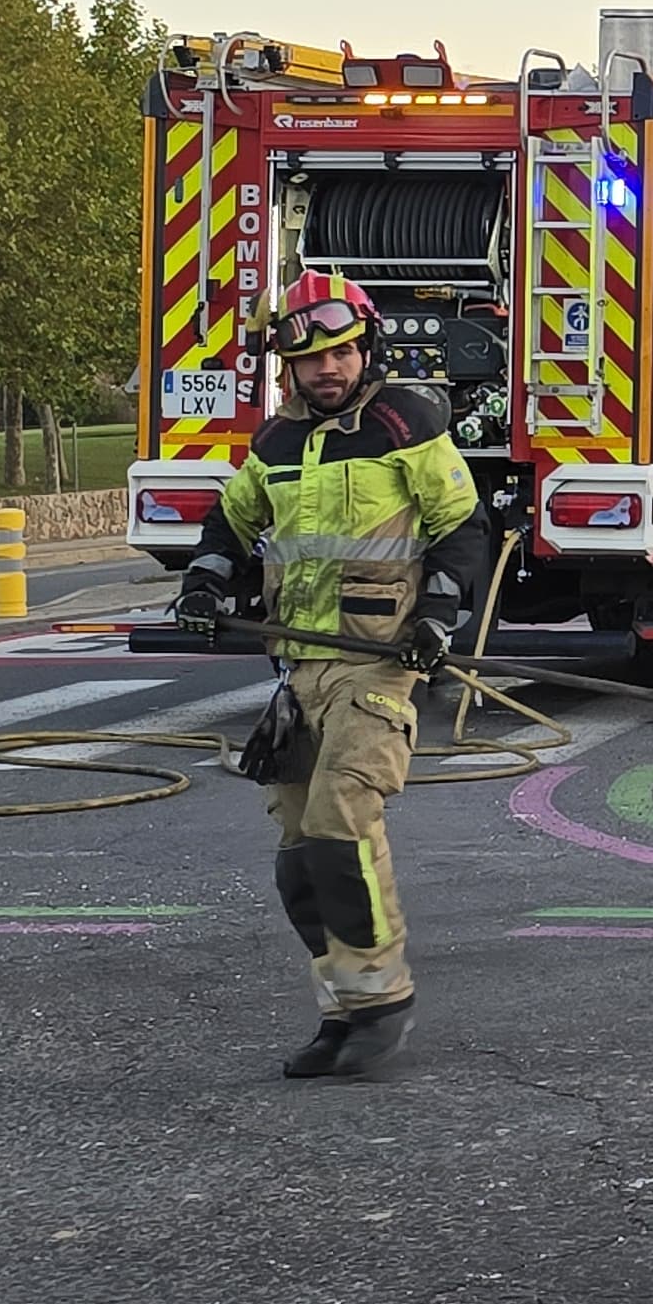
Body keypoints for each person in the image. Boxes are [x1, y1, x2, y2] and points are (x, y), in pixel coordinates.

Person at [170, 270, 490, 1081]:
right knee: (297, 849)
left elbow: (461, 526)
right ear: (289, 367)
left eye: (341, 353)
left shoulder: (405, 423)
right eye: (311, 359)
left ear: (365, 348)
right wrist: (203, 583)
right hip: (299, 668)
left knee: (343, 821)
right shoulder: (276, 445)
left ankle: (382, 1001)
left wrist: (435, 620)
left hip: (378, 664)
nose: (327, 370)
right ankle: (341, 1008)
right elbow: (233, 521)